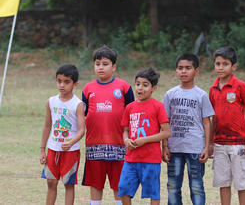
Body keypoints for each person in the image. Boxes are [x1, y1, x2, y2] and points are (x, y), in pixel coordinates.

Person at [82, 45, 135, 205]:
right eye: (97, 64)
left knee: (119, 184)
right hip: (94, 144)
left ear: (114, 67)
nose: (101, 67)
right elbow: (82, 115)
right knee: (95, 184)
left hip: (119, 144)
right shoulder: (87, 89)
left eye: (105, 64)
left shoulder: (124, 87)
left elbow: (132, 114)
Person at [162, 53, 215, 205]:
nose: (183, 71)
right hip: (175, 148)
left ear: (196, 71)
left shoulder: (201, 95)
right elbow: (165, 122)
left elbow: (207, 122)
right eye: (180, 68)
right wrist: (164, 146)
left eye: (188, 68)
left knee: (197, 186)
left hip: (195, 148)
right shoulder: (170, 94)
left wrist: (206, 147)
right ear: (176, 71)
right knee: (173, 186)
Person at [208, 46, 245, 205]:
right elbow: (212, 118)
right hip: (219, 144)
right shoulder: (213, 89)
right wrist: (209, 143)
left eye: (225, 64)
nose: (220, 67)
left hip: (239, 143)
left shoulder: (240, 86)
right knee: (223, 183)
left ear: (233, 66)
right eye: (217, 64)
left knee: (242, 183)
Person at [118, 67, 171, 205]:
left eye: (145, 85)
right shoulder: (129, 107)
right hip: (131, 158)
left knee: (153, 193)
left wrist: (145, 140)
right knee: (123, 190)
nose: (140, 88)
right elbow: (125, 130)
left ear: (154, 88)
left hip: (151, 159)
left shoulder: (158, 106)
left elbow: (166, 132)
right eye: (138, 84)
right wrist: (126, 140)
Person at [40, 64, 85, 205]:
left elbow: (81, 130)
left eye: (66, 82)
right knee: (51, 182)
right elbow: (47, 126)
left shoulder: (78, 104)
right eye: (59, 81)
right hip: (53, 149)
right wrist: (42, 149)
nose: (62, 85)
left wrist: (71, 142)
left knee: (68, 183)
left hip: (70, 151)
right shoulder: (51, 102)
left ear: (75, 84)